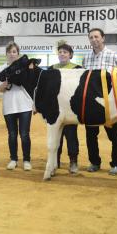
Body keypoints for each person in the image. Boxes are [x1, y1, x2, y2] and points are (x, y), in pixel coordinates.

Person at [82, 28, 117, 176]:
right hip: (90, 105)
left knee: (114, 135)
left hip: (110, 105)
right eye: (91, 37)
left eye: (96, 36)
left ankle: (116, 164)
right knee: (90, 135)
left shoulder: (114, 56)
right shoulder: (86, 57)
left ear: (103, 38)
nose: (94, 39)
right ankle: (94, 162)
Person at [0, 42, 33, 171]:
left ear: (18, 54)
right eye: (9, 52)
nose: (12, 54)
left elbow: (31, 86)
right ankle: (13, 159)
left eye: (14, 52)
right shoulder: (2, 69)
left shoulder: (25, 68)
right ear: (6, 54)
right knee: (12, 134)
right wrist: (5, 84)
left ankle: (27, 160)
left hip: (25, 105)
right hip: (9, 106)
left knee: (24, 134)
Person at [49, 43, 82, 174]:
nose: (62, 54)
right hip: (55, 110)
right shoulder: (52, 69)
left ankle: (73, 162)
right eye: (60, 52)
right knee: (56, 136)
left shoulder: (78, 69)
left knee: (71, 135)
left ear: (71, 55)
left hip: (70, 110)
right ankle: (54, 162)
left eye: (65, 52)